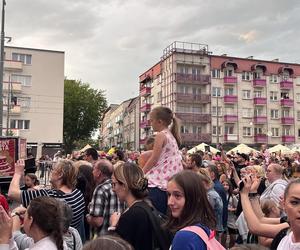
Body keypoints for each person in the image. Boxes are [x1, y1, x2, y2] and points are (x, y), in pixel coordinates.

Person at [8, 159, 85, 239]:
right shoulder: (78, 194)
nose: (50, 172)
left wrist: (17, 173)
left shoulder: (48, 196)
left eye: (52, 170)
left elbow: (12, 193)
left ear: (60, 175)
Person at [143, 106, 183, 214]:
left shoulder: (161, 135)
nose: (150, 123)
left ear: (159, 121)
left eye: (151, 120)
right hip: (169, 181)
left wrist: (141, 173)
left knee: (155, 217)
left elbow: (154, 158)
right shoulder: (171, 136)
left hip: (158, 182)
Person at [165, 170, 220, 250]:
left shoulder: (185, 237)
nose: (170, 202)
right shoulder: (204, 226)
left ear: (194, 197)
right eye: (169, 195)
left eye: (177, 195)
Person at [110, 162, 159, 250]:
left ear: (124, 185)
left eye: (114, 184)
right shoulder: (147, 205)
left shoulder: (131, 216)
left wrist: (113, 226)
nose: (113, 189)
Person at [0, 196, 64, 250]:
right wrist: (9, 236)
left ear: (31, 220)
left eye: (25, 214)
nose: (22, 217)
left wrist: (4, 239)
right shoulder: (52, 239)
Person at [86, 159, 123, 236]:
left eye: (94, 169)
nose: (92, 172)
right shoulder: (119, 186)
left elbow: (98, 221)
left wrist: (88, 216)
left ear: (99, 173)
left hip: (103, 238)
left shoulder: (101, 189)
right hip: (118, 235)